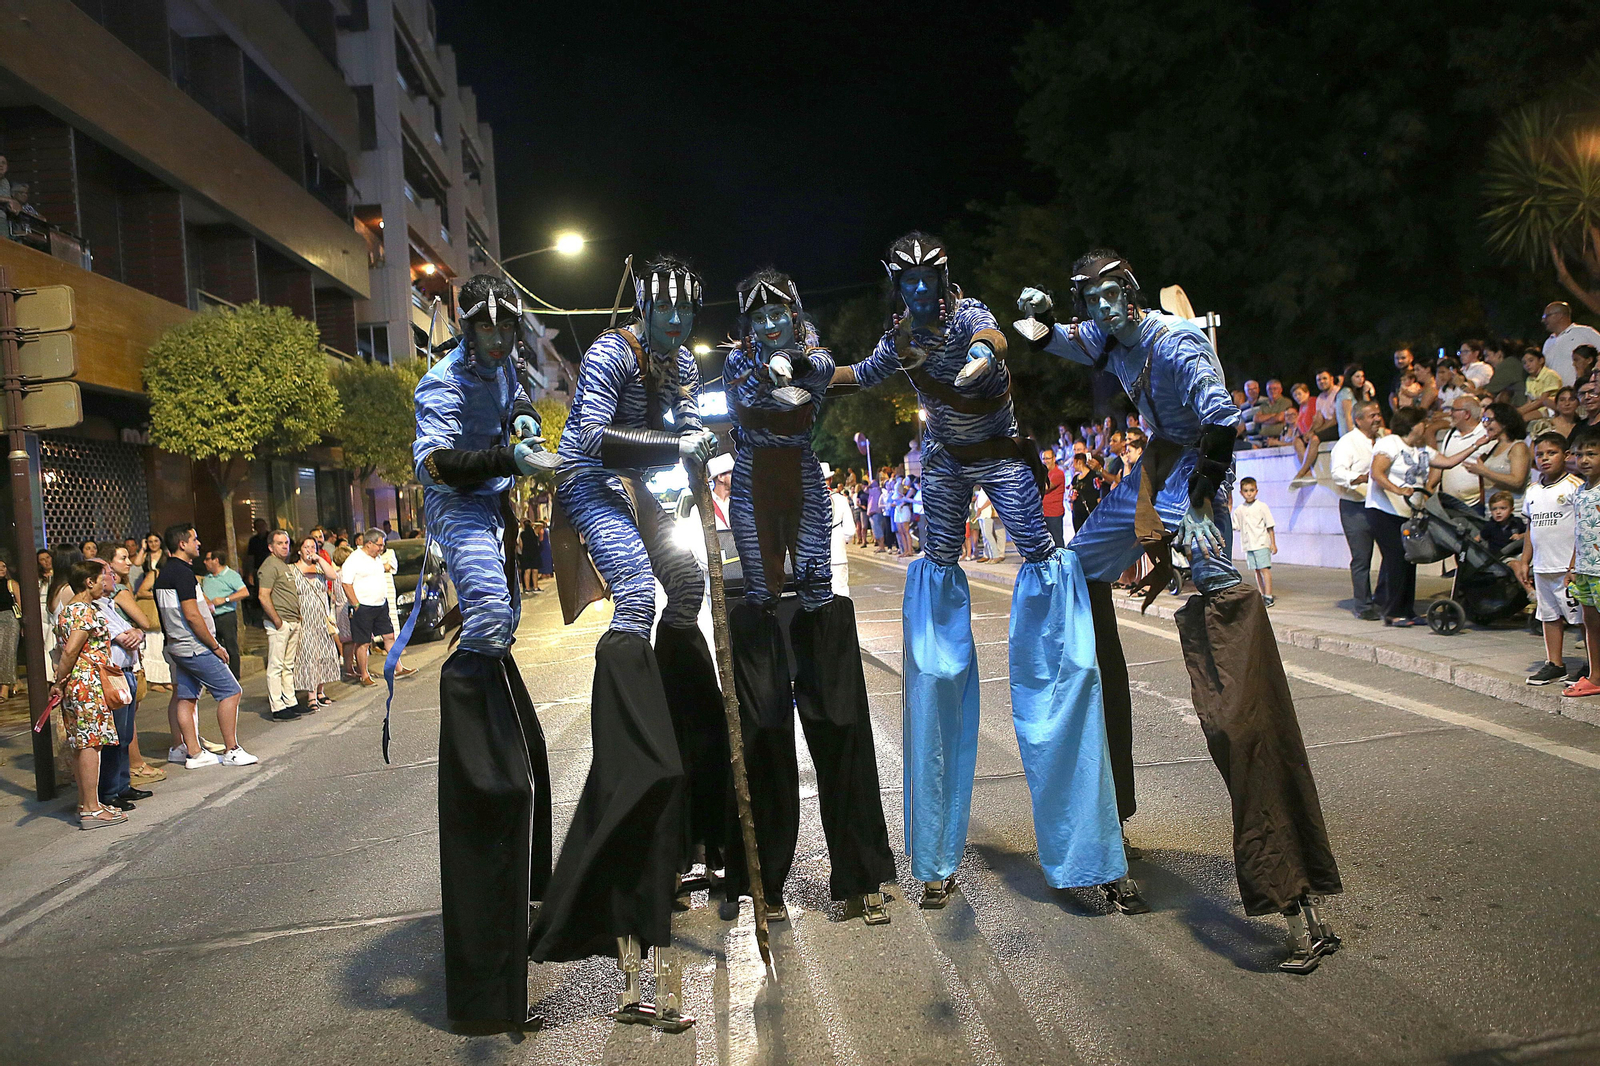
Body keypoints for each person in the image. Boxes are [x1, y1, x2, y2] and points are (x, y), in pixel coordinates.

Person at [1019, 249, 1342, 970]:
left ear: (1130, 293)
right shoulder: (1110, 336)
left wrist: (1201, 505)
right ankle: (1105, 813)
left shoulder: (1176, 342)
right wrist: (1034, 319)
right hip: (1155, 472)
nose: (1102, 309)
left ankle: (1294, 897)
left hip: (1195, 475)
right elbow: (1057, 341)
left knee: (1232, 664)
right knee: (1071, 572)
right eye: (1091, 299)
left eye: (1112, 296)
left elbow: (1222, 423)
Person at [837, 231, 1127, 915]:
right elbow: (861, 373)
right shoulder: (900, 333)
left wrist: (976, 359)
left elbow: (993, 337)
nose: (916, 291)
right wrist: (803, 371)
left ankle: (1085, 845)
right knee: (935, 654)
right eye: (904, 281)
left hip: (998, 454)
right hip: (942, 461)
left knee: (1053, 599)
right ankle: (935, 856)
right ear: (894, 285)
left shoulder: (968, 314)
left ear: (942, 276)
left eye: (925, 279)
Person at [534, 256, 723, 1029]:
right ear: (644, 304)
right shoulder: (612, 353)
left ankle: (674, 688)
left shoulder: (677, 359)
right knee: (638, 593)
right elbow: (592, 441)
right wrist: (676, 447)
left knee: (687, 590)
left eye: (687, 316)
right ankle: (632, 686)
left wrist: (698, 439)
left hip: (648, 486)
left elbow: (678, 423)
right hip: (594, 483)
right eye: (666, 314)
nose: (677, 328)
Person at [717, 268, 893, 926]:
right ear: (747, 320)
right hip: (757, 481)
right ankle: (758, 879)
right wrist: (780, 371)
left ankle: (861, 872)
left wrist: (882, 353)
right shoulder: (737, 364)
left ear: (792, 310)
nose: (768, 324)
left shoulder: (813, 350)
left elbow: (830, 371)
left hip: (802, 475)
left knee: (819, 599)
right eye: (757, 316)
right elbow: (754, 392)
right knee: (761, 597)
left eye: (778, 313)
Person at [152, 525, 255, 768]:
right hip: (194, 646)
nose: (198, 543)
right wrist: (215, 645)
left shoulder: (165, 573)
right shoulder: (182, 574)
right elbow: (192, 615)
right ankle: (231, 749)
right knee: (231, 691)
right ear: (182, 544)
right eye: (194, 539)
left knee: (186, 697)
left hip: (178, 646)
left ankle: (192, 752)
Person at [50, 560, 128, 830]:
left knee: (80, 744)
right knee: (90, 744)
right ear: (89, 582)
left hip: (77, 682)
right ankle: (92, 810)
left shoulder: (67, 611)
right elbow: (71, 650)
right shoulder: (85, 611)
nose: (106, 581)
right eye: (101, 577)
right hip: (88, 683)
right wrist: (58, 681)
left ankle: (86, 803)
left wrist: (61, 681)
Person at [1511, 433, 1583, 686]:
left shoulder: (1575, 486)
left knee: (1581, 617)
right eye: (1540, 454)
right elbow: (1531, 528)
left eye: (1551, 453)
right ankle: (1555, 664)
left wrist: (1574, 564)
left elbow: (1581, 528)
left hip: (1567, 567)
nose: (1544, 459)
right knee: (1549, 615)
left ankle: (1590, 664)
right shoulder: (1532, 490)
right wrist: (1524, 560)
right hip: (1543, 566)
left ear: (1565, 456)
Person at [1365, 407, 1434, 625]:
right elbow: (1376, 473)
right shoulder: (1390, 443)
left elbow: (1445, 462)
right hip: (1384, 511)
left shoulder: (1419, 448)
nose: (1426, 426)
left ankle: (1407, 609)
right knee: (1395, 559)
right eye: (1423, 422)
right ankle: (1393, 613)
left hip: (1406, 513)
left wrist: (1476, 445)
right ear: (1413, 424)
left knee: (1409, 559)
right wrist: (1398, 490)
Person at [104, 545, 164, 785]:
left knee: (126, 720)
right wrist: (137, 630)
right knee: (126, 721)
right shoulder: (118, 592)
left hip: (124, 659)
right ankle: (131, 768)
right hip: (120, 664)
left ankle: (124, 776)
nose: (129, 563)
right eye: (122, 558)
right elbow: (144, 620)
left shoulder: (115, 592)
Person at [94, 556, 149, 811]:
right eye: (106, 572)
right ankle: (109, 790)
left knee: (125, 735)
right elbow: (124, 637)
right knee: (114, 736)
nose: (112, 576)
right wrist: (134, 633)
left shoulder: (110, 604)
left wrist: (137, 632)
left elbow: (136, 630)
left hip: (128, 671)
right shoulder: (93, 607)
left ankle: (123, 784)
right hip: (113, 674)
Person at [1331, 400, 1386, 619]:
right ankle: (1363, 605)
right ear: (1358, 420)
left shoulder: (1384, 441)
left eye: (1378, 414)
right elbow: (1337, 473)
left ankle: (1382, 599)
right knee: (1362, 557)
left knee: (1391, 554)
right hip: (1355, 507)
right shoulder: (1347, 443)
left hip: (1381, 505)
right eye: (1371, 416)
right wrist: (1359, 478)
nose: (1377, 419)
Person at [1561, 431, 1600, 698]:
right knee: (1591, 623)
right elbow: (1579, 531)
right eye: (1580, 454)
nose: (1584, 460)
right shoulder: (1579, 491)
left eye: (1592, 454)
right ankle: (1596, 676)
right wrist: (1573, 566)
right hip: (1585, 570)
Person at [341, 530, 406, 686]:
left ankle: (399, 668)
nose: (381, 548)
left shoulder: (376, 558)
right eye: (379, 545)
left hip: (380, 605)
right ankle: (364, 675)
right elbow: (346, 583)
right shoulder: (354, 559)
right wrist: (356, 604)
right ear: (369, 543)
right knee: (363, 643)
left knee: (389, 637)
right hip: (363, 607)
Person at [257, 530, 305, 720]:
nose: (285, 546)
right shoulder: (269, 566)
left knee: (288, 665)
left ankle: (290, 701)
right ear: (270, 546)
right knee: (276, 666)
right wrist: (277, 621)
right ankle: (277, 706)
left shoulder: (283, 565)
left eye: (286, 543)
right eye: (280, 543)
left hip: (292, 620)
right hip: (280, 622)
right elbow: (263, 595)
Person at [292, 536, 341, 708]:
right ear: (299, 550)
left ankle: (321, 691)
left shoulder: (319, 568)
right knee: (308, 656)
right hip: (304, 619)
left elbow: (333, 576)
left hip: (321, 619)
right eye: (306, 547)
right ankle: (310, 694)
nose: (309, 550)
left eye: (313, 546)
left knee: (324, 655)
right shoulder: (292, 570)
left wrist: (319, 558)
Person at [1426, 396, 1489, 508]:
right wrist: (1430, 486)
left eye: (1454, 410)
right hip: (1449, 504)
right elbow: (1442, 463)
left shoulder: (1485, 435)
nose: (1450, 413)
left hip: (1475, 505)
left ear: (1467, 414)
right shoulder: (1450, 435)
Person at [200, 550, 247, 680]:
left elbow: (244, 592)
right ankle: (219, 678)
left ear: (216, 560)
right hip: (211, 617)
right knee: (215, 647)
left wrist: (225, 599)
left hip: (226, 615)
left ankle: (234, 677)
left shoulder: (231, 575)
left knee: (231, 647)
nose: (205, 562)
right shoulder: (207, 578)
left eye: (207, 559)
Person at [133, 532, 170, 691]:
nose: (153, 544)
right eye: (150, 541)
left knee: (162, 639)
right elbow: (136, 563)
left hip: (163, 596)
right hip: (151, 598)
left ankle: (165, 678)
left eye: (156, 541)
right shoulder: (147, 559)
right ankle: (155, 680)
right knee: (153, 640)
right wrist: (142, 548)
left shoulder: (166, 556)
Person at [1233, 477, 1277, 605]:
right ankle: (1262, 594)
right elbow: (1236, 526)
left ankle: (1268, 595)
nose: (1249, 493)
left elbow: (1270, 526)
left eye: (1251, 490)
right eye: (1246, 490)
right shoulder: (1239, 510)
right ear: (1241, 492)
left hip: (1261, 543)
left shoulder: (1262, 507)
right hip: (1249, 545)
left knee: (1264, 569)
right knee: (1256, 570)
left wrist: (1273, 543)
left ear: (1256, 491)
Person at [1541, 301, 1600, 386]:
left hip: (1580, 393)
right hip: (1556, 396)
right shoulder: (1548, 342)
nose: (1543, 320)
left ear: (1559, 315)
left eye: (1546, 316)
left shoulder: (1585, 332)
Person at [1482, 490, 1526, 557]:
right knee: (1516, 565)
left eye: (1503, 508)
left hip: (1517, 553)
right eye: (1494, 509)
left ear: (1511, 510)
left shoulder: (1517, 522)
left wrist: (1520, 536)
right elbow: (1481, 537)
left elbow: (1528, 534)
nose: (1498, 512)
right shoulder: (1489, 525)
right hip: (1500, 558)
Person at [1040, 447, 1067, 547]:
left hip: (1054, 513)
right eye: (1043, 459)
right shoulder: (1044, 473)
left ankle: (1061, 561)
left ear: (1054, 458)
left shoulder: (1058, 473)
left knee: (1057, 540)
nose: (1045, 461)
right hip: (1044, 512)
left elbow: (1046, 487)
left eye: (1048, 458)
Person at [0, 560, 18, 701]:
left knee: (8, 652)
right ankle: (15, 681)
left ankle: (5, 688)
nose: (2, 569)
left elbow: (20, 604)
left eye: (4, 566)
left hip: (10, 620)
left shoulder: (11, 584)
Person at [518, 518, 540, 594]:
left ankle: (527, 588)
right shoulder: (534, 532)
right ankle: (535, 587)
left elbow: (521, 545)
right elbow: (541, 525)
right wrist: (533, 523)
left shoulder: (522, 534)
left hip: (526, 553)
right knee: (535, 571)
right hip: (534, 553)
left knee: (527, 571)